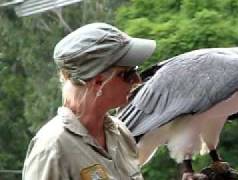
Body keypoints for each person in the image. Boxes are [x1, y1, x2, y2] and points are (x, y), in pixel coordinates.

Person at [22, 23, 156, 180]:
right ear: (98, 81)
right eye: (128, 73)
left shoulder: (120, 133)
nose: (137, 80)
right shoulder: (52, 149)